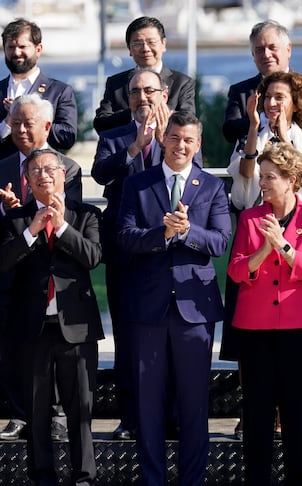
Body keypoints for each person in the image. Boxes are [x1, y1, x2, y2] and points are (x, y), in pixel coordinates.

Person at [117, 112, 231, 486]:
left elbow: (219, 242)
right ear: (164, 138)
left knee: (194, 402)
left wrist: (186, 232)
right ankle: (153, 479)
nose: (181, 146)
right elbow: (125, 238)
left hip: (194, 310)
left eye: (189, 141)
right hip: (148, 309)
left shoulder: (212, 187)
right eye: (175, 138)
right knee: (148, 404)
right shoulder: (137, 184)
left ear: (198, 145)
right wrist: (161, 234)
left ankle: (192, 480)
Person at [91, 68, 202, 442]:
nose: (143, 98)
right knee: (127, 338)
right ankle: (130, 417)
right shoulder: (114, 136)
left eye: (150, 90)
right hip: (126, 252)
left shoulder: (181, 133)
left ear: (165, 93)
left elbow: (197, 178)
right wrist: (136, 147)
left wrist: (169, 141)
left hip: (167, 254)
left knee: (168, 337)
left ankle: (169, 416)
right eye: (135, 91)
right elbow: (102, 173)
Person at [0, 148, 103, 485]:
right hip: (33, 329)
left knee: (80, 412)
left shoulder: (85, 215)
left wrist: (61, 228)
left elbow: (93, 257)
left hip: (76, 327)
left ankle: (84, 477)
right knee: (37, 411)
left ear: (64, 175)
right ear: (27, 180)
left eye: (50, 169)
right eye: (36, 171)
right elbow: (1, 263)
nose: (44, 175)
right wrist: (31, 231)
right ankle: (42, 477)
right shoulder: (15, 219)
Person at [227, 142, 302, 485]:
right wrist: (264, 249)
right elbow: (238, 271)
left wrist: (283, 246)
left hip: (300, 331)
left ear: (292, 180)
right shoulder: (249, 218)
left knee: (299, 416)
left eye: (270, 177)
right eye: (261, 176)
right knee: (257, 417)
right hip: (255, 331)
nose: (263, 183)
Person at [0, 93, 82, 443]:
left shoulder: (66, 168)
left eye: (28, 123)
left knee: (49, 350)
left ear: (46, 126)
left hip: (45, 275)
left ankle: (54, 416)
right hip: (9, 272)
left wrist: (24, 210)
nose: (21, 130)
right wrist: (6, 211)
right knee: (10, 348)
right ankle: (19, 414)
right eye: (15, 123)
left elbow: (67, 213)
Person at [0, 18, 77, 168]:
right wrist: (5, 125)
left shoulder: (59, 91)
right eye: (11, 47)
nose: (16, 52)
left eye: (22, 46)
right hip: (1, 183)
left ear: (38, 49)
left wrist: (31, 118)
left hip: (43, 181)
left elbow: (67, 137)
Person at [228, 71, 302, 210]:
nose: (271, 103)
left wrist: (285, 139)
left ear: (296, 104)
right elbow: (246, 175)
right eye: (268, 97)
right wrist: (253, 127)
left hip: (299, 221)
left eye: (279, 97)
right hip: (258, 218)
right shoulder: (249, 137)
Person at [222, 20, 302, 145]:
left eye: (272, 48)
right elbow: (230, 131)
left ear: (288, 50)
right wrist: (261, 120)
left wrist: (286, 116)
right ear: (253, 55)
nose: (266, 55)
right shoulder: (241, 91)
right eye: (260, 50)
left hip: (301, 159)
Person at [93, 16, 195, 134]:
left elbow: (188, 122)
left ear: (163, 44)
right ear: (129, 49)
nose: (145, 49)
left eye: (151, 42)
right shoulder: (116, 83)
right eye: (137, 43)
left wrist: (157, 112)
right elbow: (101, 123)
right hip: (128, 150)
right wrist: (135, 112)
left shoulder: (182, 82)